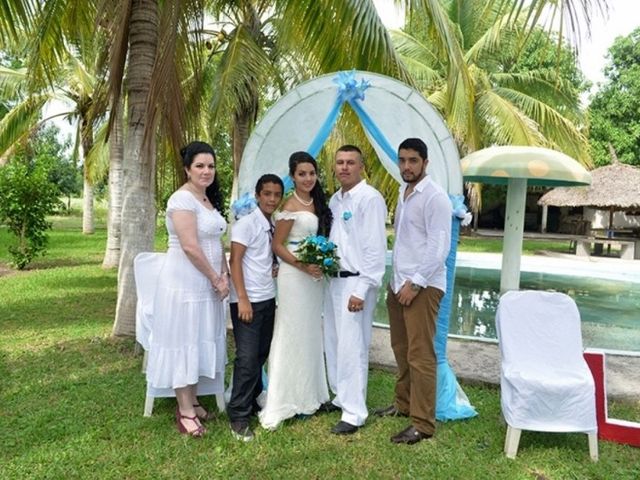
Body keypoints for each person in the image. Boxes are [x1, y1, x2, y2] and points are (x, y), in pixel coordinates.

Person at [143, 141, 229, 438]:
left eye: (211, 166)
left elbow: (216, 243)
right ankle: (185, 411)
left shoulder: (206, 200)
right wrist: (215, 279)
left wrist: (225, 275)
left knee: (197, 337)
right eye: (200, 166)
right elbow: (191, 247)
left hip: (207, 283)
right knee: (183, 340)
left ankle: (192, 398)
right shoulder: (181, 200)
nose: (207, 171)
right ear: (187, 169)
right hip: (184, 282)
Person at [375, 138, 452, 445]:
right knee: (401, 348)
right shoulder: (403, 191)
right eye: (402, 160)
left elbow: (439, 247)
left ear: (425, 163)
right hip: (400, 284)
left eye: (413, 161)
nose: (406, 166)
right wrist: (398, 283)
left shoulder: (435, 197)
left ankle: (422, 424)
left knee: (421, 355)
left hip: (423, 285)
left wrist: (416, 283)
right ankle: (403, 404)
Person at [258, 151, 333, 430]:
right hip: (294, 277)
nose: (308, 178)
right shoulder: (289, 205)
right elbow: (278, 245)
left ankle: (311, 395)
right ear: (293, 177)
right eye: (302, 174)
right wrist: (302, 265)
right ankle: (284, 398)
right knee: (291, 332)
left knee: (311, 332)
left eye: (311, 173)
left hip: (314, 279)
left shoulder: (318, 202)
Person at [322, 145, 387, 435]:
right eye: (340, 162)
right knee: (334, 342)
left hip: (356, 282)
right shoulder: (335, 200)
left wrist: (361, 289)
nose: (344, 167)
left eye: (350, 162)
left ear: (361, 167)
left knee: (353, 347)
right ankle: (340, 396)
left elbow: (375, 249)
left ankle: (354, 412)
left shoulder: (370, 199)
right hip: (333, 280)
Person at [227, 174, 284, 442]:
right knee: (247, 358)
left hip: (267, 298)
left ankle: (250, 402)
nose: (272, 199)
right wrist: (243, 299)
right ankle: (238, 415)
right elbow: (235, 262)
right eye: (267, 194)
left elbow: (260, 257)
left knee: (261, 353)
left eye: (276, 194)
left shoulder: (270, 225)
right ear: (258, 195)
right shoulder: (246, 225)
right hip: (247, 301)